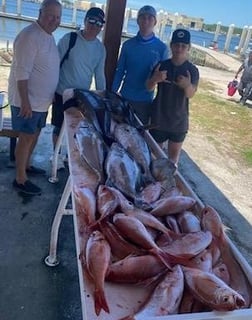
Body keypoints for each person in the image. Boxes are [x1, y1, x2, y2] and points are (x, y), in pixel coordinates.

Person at [8, 0, 62, 195]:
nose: (54, 21)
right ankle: (20, 179)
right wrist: (25, 102)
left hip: (41, 101)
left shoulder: (48, 36)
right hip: (27, 101)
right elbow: (21, 74)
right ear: (40, 13)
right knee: (26, 137)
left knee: (35, 134)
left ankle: (27, 166)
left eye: (58, 17)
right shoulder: (29, 36)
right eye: (50, 15)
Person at [51, 7, 106, 168]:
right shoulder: (70, 38)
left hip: (81, 97)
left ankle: (69, 156)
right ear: (85, 20)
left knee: (76, 129)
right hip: (61, 92)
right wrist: (51, 89)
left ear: (102, 26)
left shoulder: (100, 49)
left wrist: (104, 99)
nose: (94, 25)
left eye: (99, 23)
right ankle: (56, 156)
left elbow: (100, 76)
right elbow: (54, 65)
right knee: (58, 126)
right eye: (91, 21)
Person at [147, 28, 199, 165]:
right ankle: (152, 185)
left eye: (183, 45)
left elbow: (191, 94)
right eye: (176, 45)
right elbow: (148, 87)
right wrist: (154, 79)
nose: (179, 48)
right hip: (158, 118)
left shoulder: (192, 70)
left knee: (172, 161)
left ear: (189, 47)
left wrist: (187, 85)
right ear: (171, 45)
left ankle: (168, 185)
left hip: (179, 122)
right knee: (154, 157)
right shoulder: (162, 65)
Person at [111, 5, 168, 125]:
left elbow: (163, 80)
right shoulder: (128, 45)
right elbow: (120, 71)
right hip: (124, 98)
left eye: (150, 18)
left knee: (139, 138)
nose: (146, 21)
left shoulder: (162, 49)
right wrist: (112, 94)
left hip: (145, 102)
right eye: (142, 17)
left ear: (155, 22)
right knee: (119, 133)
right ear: (137, 21)